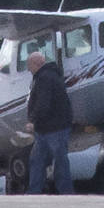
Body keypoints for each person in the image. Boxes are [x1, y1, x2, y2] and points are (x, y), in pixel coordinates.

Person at [24, 51, 73, 195]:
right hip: (49, 128)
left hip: (53, 128)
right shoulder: (50, 76)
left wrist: (33, 121)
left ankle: (64, 191)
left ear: (36, 64)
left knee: (56, 161)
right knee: (41, 160)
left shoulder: (44, 79)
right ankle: (37, 190)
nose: (28, 69)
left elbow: (43, 104)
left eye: (29, 66)